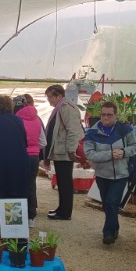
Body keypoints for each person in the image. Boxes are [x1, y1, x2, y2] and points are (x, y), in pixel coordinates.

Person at [83, 101, 136, 245]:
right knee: (106, 205)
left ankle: (107, 233)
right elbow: (90, 154)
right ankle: (114, 227)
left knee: (112, 202)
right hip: (102, 175)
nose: (106, 118)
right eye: (103, 114)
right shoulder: (92, 133)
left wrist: (124, 152)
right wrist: (110, 154)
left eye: (109, 115)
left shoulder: (125, 130)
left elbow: (135, 147)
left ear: (116, 115)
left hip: (121, 174)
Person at [0, 96, 29, 236]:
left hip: (0, 165)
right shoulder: (18, 120)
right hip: (19, 163)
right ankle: (14, 228)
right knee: (15, 194)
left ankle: (0, 229)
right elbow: (24, 141)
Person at [44, 84, 84, 220]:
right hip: (61, 150)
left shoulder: (66, 108)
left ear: (59, 96)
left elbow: (73, 130)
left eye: (50, 96)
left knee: (65, 182)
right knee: (61, 181)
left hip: (65, 151)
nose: (48, 99)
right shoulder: (60, 107)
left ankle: (65, 212)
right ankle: (61, 208)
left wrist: (72, 149)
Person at [14, 95, 43, 225]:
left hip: (20, 155)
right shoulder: (37, 119)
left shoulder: (15, 120)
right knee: (31, 185)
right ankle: (31, 217)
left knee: (18, 185)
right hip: (34, 157)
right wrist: (35, 148)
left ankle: (18, 217)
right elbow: (43, 141)